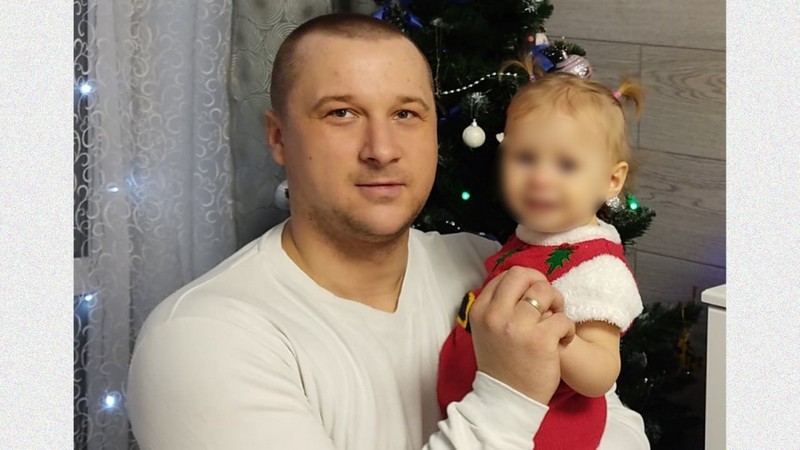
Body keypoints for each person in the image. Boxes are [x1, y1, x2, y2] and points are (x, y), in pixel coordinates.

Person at [127, 13, 649, 449]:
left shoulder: (490, 268)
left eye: (405, 113)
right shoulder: (201, 342)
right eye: (342, 113)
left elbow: (613, 429)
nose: (381, 149)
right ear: (279, 137)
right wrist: (510, 396)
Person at [437, 54, 645, 450]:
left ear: (612, 180)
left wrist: (559, 339)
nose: (540, 178)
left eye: (566, 165)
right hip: (484, 416)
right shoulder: (533, 235)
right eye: (526, 158)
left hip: (543, 432)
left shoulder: (598, 268)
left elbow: (602, 373)